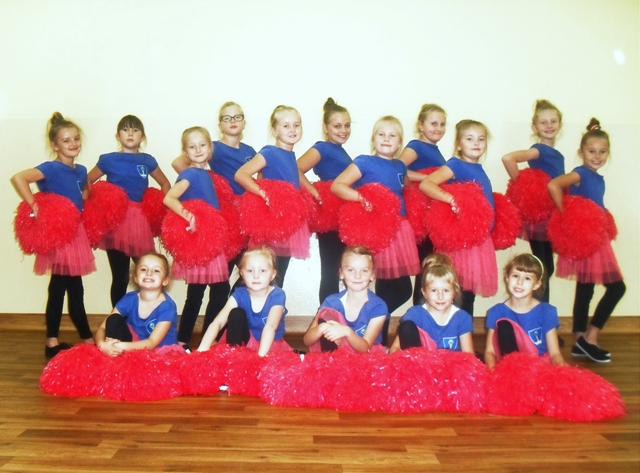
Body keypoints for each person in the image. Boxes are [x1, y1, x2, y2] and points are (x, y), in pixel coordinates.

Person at [10, 112, 96, 358]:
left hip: (75, 234)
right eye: (66, 140)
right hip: (59, 237)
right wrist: (34, 205)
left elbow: (84, 195)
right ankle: (78, 339)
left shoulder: (81, 170)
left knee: (68, 287)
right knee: (64, 287)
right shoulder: (51, 168)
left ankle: (62, 341)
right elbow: (19, 178)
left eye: (76, 139)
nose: (73, 143)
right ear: (55, 145)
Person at [171, 102, 256, 347]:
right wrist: (202, 191)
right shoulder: (214, 147)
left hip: (242, 219)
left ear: (244, 121)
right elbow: (179, 163)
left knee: (231, 279)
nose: (233, 121)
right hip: (220, 219)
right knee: (203, 286)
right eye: (226, 117)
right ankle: (188, 340)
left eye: (237, 116)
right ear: (219, 124)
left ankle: (213, 337)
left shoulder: (250, 150)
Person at [331, 116, 420, 344]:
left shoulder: (400, 166)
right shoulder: (364, 161)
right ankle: (375, 340)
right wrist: (361, 198)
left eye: (392, 135)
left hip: (399, 231)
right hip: (376, 231)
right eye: (381, 135)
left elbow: (406, 188)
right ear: (373, 139)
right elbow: (338, 185)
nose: (386, 139)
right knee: (382, 285)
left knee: (402, 290)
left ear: (399, 143)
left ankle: (372, 325)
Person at [547, 118, 625, 363]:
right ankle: (590, 338)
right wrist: (566, 213)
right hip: (589, 239)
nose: (597, 156)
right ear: (581, 152)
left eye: (602, 152)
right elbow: (554, 185)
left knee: (586, 288)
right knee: (617, 288)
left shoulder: (598, 178)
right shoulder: (580, 173)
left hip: (595, 236)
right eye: (592, 151)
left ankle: (580, 340)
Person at [88, 114, 171, 306]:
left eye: (135, 130)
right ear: (118, 136)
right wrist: (98, 204)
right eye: (125, 130)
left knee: (148, 271)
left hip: (139, 222)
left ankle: (148, 312)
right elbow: (87, 182)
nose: (130, 134)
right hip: (116, 223)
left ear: (142, 137)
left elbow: (165, 183)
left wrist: (162, 206)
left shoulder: (147, 160)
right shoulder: (108, 159)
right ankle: (117, 317)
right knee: (121, 276)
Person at [418, 119, 497, 317]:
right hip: (463, 244)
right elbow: (426, 184)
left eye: (481, 139)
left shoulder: (479, 168)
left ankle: (464, 333)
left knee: (468, 294)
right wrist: (450, 199)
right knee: (458, 292)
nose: (476, 143)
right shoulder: (456, 164)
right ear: (458, 144)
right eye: (469, 139)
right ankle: (453, 332)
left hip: (479, 242)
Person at [163, 126, 229, 348]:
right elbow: (169, 198)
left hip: (209, 240)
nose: (198, 150)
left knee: (213, 290)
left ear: (210, 149)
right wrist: (188, 215)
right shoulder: (190, 174)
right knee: (200, 292)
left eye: (202, 145)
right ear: (186, 152)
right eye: (192, 147)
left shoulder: (205, 174)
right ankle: (187, 341)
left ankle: (199, 339)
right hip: (200, 242)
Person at [234, 105, 310, 287]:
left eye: (296, 125)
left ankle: (270, 304)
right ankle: (237, 303)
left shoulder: (291, 155)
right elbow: (241, 174)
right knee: (260, 269)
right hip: (271, 222)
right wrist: (262, 192)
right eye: (286, 126)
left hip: (287, 223)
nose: (292, 130)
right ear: (275, 131)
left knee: (276, 274)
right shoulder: (269, 152)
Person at [502, 100, 565, 302]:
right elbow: (508, 158)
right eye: (543, 122)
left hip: (551, 215)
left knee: (547, 267)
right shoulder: (539, 150)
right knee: (543, 268)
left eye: (553, 121)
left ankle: (537, 309)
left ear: (560, 124)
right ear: (534, 127)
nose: (549, 125)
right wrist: (523, 186)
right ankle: (539, 313)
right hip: (540, 218)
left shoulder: (557, 154)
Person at [297, 98, 353, 303]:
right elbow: (295, 168)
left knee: (341, 268)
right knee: (331, 269)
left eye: (347, 125)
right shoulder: (322, 147)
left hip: (344, 212)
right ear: (325, 127)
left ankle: (335, 314)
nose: (343, 130)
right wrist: (313, 190)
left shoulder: (340, 150)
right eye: (337, 126)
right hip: (331, 212)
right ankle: (326, 317)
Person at [197, 246, 291, 356]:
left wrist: (260, 359)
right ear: (242, 274)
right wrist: (200, 351)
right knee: (236, 314)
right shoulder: (239, 294)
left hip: (269, 346)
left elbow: (270, 326)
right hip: (245, 343)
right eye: (250, 271)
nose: (256, 276)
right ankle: (234, 356)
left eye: (263, 271)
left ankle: (257, 358)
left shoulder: (277, 295)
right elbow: (218, 322)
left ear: (272, 275)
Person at [398, 104, 447, 305]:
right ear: (420, 125)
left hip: (431, 214)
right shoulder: (416, 146)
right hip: (420, 215)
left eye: (442, 124)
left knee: (428, 268)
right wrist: (428, 178)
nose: (438, 128)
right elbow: (398, 169)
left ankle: (423, 315)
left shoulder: (435, 150)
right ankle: (419, 315)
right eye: (433, 123)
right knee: (425, 268)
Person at [484, 253, 565, 369]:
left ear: (536, 285)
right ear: (507, 278)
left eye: (527, 278)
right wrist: (494, 372)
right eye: (515, 276)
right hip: (509, 368)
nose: (519, 282)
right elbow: (490, 352)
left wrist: (561, 373)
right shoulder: (496, 312)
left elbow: (555, 353)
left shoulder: (546, 312)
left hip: (539, 367)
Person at [303, 246, 388, 353]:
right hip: (337, 355)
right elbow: (306, 341)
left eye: (364, 271)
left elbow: (365, 348)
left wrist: (347, 331)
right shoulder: (331, 302)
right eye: (351, 270)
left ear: (372, 275)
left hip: (366, 357)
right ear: (341, 273)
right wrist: (321, 328)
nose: (357, 276)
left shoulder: (378, 307)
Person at [94, 252, 178, 356]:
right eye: (143, 269)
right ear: (136, 277)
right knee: (113, 319)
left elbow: (151, 343)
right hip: (132, 345)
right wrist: (102, 345)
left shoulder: (167, 307)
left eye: (156, 270)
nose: (149, 273)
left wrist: (118, 346)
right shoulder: (129, 299)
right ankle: (114, 357)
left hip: (160, 353)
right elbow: (102, 328)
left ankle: (116, 353)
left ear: (165, 280)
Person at [390, 253, 473, 353]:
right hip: (421, 361)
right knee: (407, 327)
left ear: (454, 292)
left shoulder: (462, 318)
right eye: (434, 290)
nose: (440, 296)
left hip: (450, 362)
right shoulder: (415, 314)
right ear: (424, 292)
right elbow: (394, 348)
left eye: (446, 291)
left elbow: (468, 354)